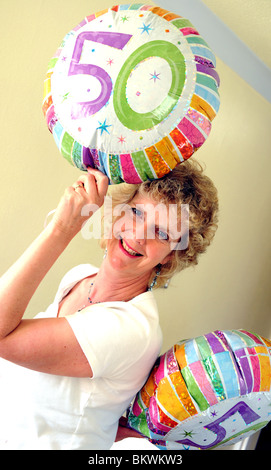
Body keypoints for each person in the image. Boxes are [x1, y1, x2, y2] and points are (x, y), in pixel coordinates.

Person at [0, 159, 218, 450]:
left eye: (162, 233)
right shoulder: (80, 276)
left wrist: (62, 228)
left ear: (171, 255)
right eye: (137, 212)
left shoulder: (132, 329)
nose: (138, 235)